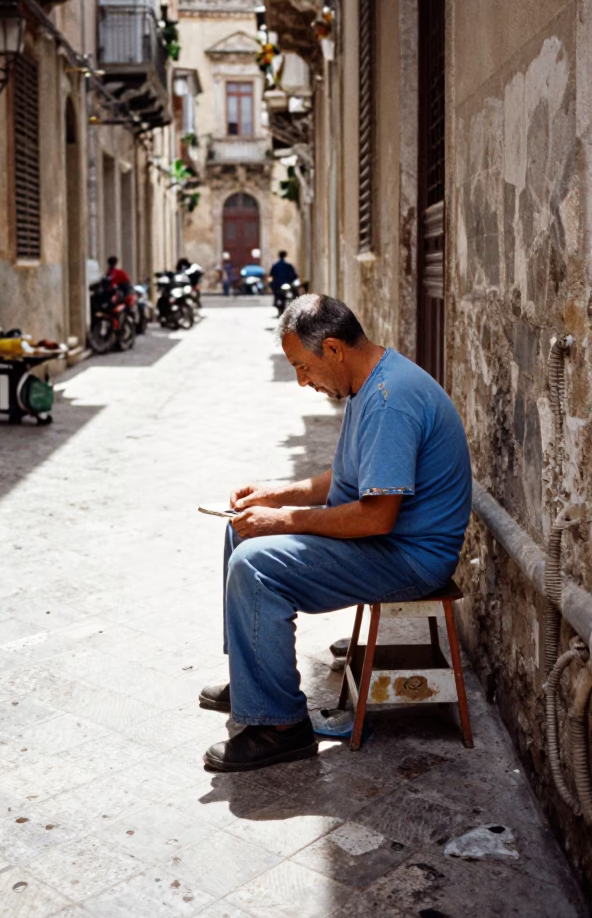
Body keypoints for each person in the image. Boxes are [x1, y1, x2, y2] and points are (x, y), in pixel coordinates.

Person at [199, 293, 472, 773]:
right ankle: (252, 682)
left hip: (410, 557)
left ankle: (281, 726)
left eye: (303, 368)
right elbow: (347, 481)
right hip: (388, 541)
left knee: (255, 564)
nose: (304, 382)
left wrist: (283, 522)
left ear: (332, 349)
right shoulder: (369, 383)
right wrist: (275, 496)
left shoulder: (391, 400)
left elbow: (374, 517)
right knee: (240, 532)